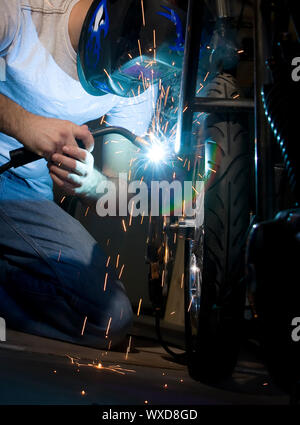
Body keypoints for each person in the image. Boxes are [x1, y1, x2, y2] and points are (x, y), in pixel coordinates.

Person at [0, 0, 161, 349]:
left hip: (23, 194)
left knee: (109, 317)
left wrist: (91, 183)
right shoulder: (21, 11)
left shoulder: (141, 78)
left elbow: (116, 189)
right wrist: (26, 125)